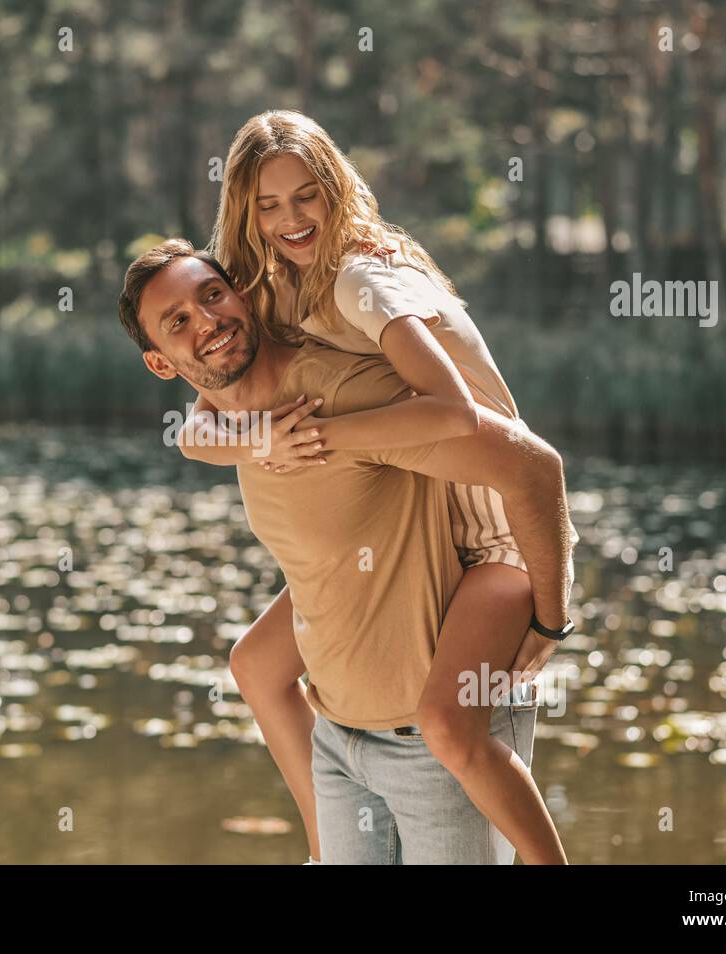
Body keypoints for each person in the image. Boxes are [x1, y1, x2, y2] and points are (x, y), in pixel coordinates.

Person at [174, 110, 575, 863]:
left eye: (306, 196)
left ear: (334, 188)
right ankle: (326, 848)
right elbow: (196, 427)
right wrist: (261, 439)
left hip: (487, 519)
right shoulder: (269, 286)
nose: (291, 218)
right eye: (268, 205)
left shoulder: (360, 278)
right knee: (257, 665)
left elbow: (456, 415)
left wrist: (551, 622)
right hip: (411, 507)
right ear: (244, 212)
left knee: (449, 727)